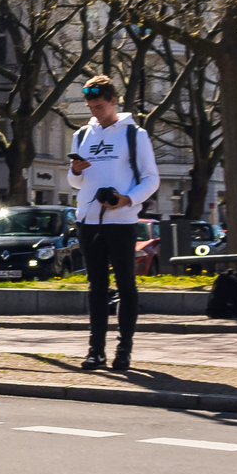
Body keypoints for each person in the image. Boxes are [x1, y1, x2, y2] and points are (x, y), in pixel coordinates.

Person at [66, 75, 159, 371]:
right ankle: (96, 350)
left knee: (125, 285)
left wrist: (127, 199)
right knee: (96, 287)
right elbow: (75, 182)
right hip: (88, 219)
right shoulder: (82, 135)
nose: (96, 112)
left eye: (100, 106)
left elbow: (151, 178)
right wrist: (75, 170)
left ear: (114, 101)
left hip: (121, 220)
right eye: (91, 106)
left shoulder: (135, 135)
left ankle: (124, 350)